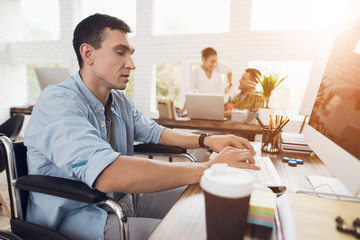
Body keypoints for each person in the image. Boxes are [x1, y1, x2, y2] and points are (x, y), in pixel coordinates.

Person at [24, 14, 259, 240]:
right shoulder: (58, 102)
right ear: (88, 53)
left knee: (203, 200)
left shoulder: (119, 100)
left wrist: (206, 140)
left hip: (123, 199)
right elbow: (107, 174)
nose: (132, 64)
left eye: (131, 54)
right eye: (120, 52)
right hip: (79, 216)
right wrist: (207, 168)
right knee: (182, 232)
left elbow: (156, 132)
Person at [179, 47, 232, 113]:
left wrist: (229, 84)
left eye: (216, 61)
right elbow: (190, 93)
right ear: (203, 59)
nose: (215, 64)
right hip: (204, 108)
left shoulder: (218, 66)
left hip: (219, 107)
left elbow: (229, 70)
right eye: (212, 61)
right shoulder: (195, 72)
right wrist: (183, 110)